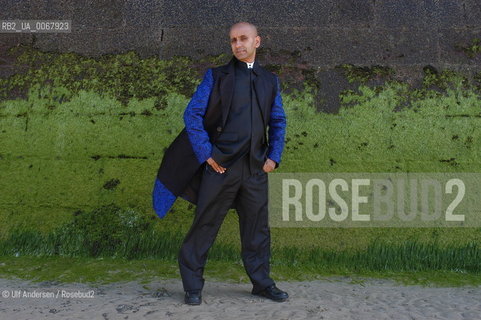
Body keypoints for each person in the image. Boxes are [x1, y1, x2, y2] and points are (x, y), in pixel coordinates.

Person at [152, 22, 288, 305]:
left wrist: (273, 158)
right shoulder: (216, 76)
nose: (238, 44)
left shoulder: (269, 81)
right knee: (204, 226)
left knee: (257, 230)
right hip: (220, 167)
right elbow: (192, 115)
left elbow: (278, 121)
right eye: (233, 40)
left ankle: (262, 283)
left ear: (257, 42)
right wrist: (207, 155)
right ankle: (192, 286)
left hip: (255, 169)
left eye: (243, 39)